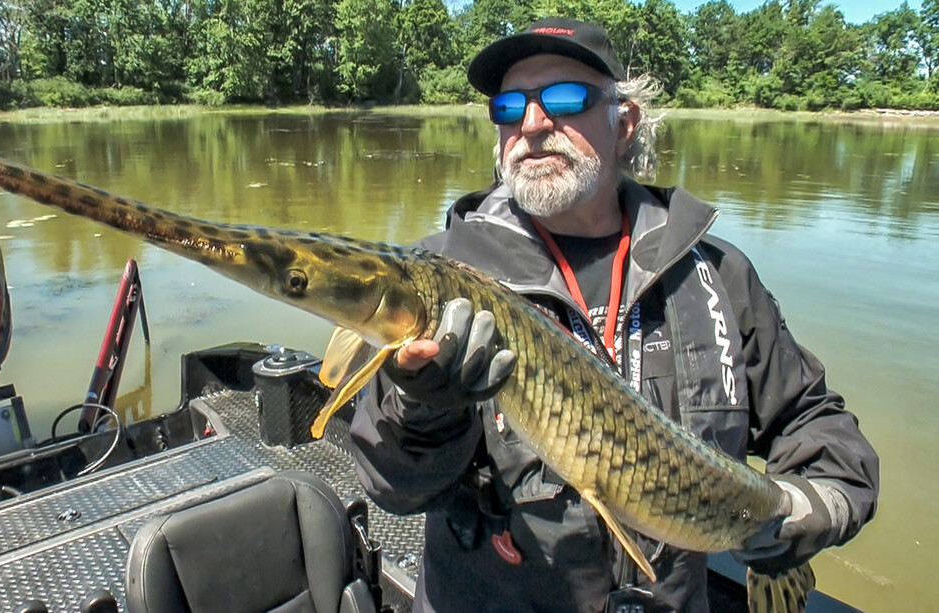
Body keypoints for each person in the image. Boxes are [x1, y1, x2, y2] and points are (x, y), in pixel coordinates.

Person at [348, 16, 879, 613]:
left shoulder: (718, 275)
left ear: (624, 123)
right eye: (508, 106)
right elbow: (391, 486)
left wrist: (793, 515)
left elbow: (820, 431)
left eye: (566, 98)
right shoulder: (429, 278)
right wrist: (421, 407)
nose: (533, 123)